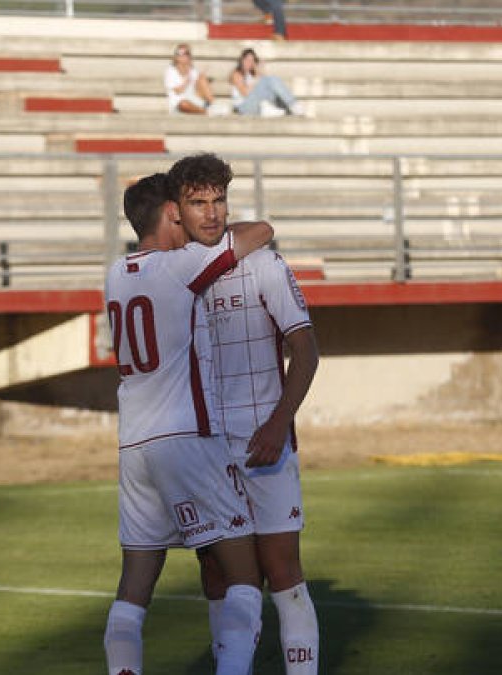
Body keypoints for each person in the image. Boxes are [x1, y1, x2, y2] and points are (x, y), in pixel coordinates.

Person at [103, 172, 275, 675]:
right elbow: (259, 231)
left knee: (134, 588)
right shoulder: (180, 266)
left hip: (134, 444)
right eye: (189, 207)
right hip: (187, 440)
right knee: (245, 576)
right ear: (174, 213)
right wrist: (217, 228)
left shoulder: (117, 272)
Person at [167, 153, 321, 674]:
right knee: (220, 579)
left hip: (265, 446)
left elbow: (307, 351)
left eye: (218, 200)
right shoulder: (168, 275)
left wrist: (279, 421)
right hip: (204, 453)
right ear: (178, 210)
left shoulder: (265, 264)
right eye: (197, 202)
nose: (210, 213)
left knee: (282, 571)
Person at [230, 48, 304, 117]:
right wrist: (258, 76)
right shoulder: (237, 74)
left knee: (272, 80)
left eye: (252, 61)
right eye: (247, 60)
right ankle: (288, 106)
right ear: (242, 60)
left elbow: (267, 85)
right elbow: (245, 92)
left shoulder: (252, 75)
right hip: (244, 107)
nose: (249, 63)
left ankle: (292, 105)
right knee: (269, 80)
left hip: (257, 105)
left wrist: (259, 71)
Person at [165, 43, 215, 115]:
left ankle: (214, 106)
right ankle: (206, 111)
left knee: (202, 79)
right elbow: (178, 91)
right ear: (176, 57)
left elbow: (197, 88)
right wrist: (187, 80)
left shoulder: (192, 70)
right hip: (179, 105)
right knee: (183, 104)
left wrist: (202, 78)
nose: (182, 56)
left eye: (186, 53)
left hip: (193, 100)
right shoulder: (170, 71)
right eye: (179, 53)